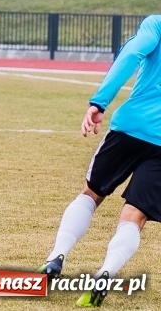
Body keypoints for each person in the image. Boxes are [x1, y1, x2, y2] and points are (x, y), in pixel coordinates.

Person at [37, 15, 161, 307]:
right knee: (136, 213)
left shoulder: (156, 24)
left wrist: (99, 102)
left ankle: (56, 257)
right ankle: (106, 272)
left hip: (131, 128)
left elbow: (131, 54)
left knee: (91, 194)